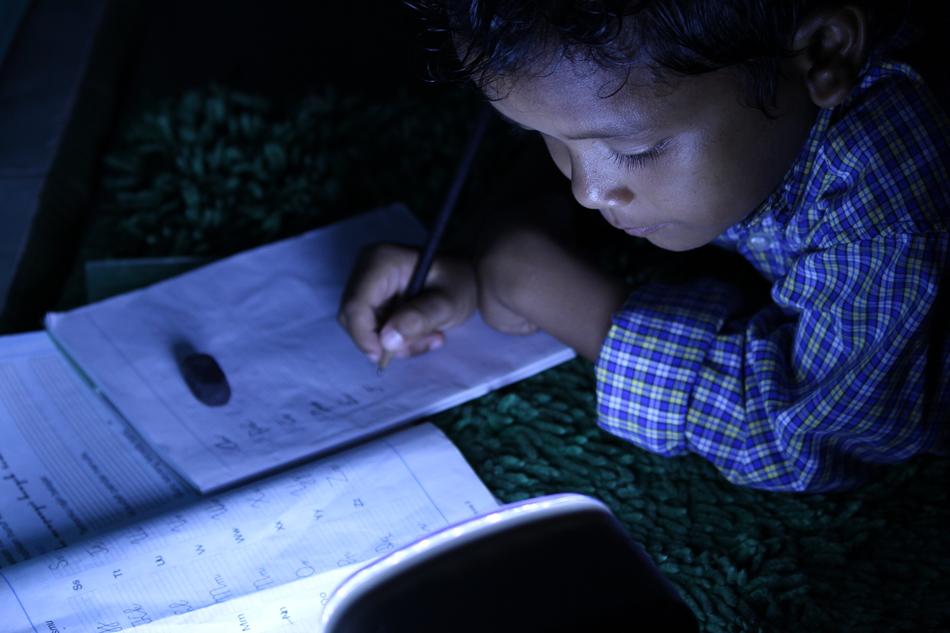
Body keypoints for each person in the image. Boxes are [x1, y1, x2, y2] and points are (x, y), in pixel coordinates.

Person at [338, 1, 949, 492]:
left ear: (823, 54)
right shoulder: (698, 97)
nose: (588, 190)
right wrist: (492, 241)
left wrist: (560, 297)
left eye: (635, 150)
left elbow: (825, 432)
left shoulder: (890, 200)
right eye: (542, 136)